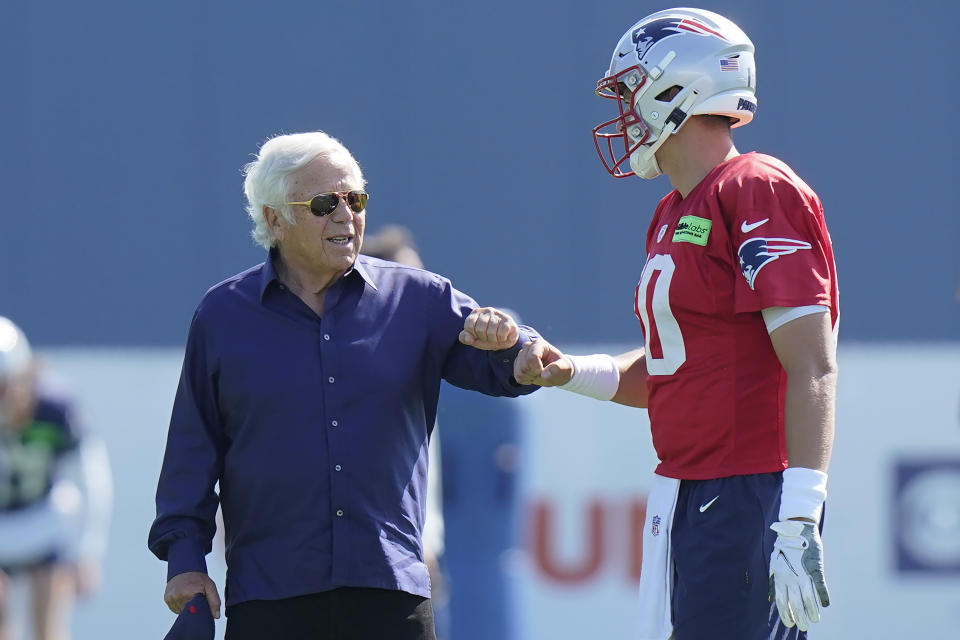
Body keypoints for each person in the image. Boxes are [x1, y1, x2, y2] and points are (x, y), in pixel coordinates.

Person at [514, 8, 838, 640]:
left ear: (676, 86)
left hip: (748, 491)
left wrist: (800, 515)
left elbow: (812, 363)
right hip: (689, 490)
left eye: (632, 89)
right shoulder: (672, 209)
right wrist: (570, 372)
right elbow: (675, 366)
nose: (626, 111)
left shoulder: (755, 187)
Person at [148, 131, 540, 640]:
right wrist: (184, 559)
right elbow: (192, 449)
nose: (345, 215)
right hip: (270, 597)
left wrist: (518, 349)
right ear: (273, 218)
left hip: (389, 597)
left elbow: (503, 361)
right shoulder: (223, 316)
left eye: (355, 200)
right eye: (323, 203)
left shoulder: (417, 298)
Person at [0, 317, 113, 640]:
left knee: (48, 630)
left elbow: (91, 477)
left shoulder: (54, 408)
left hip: (43, 523)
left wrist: (87, 552)